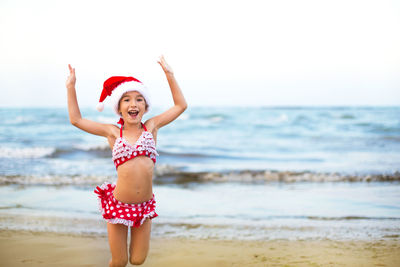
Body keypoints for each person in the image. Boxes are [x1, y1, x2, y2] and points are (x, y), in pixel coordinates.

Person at [66, 55, 187, 266]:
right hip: (118, 205)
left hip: (144, 207)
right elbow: (76, 120)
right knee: (119, 261)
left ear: (146, 106)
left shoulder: (152, 127)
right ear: (119, 107)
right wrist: (71, 87)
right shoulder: (113, 132)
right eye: (127, 99)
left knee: (138, 260)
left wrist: (169, 74)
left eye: (139, 99)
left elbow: (180, 106)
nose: (134, 104)